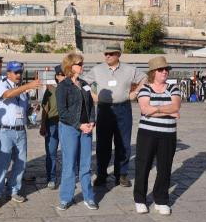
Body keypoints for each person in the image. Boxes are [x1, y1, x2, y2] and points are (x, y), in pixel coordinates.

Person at [82, 43, 146, 187]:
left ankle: (121, 175)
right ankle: (102, 174)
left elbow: (145, 78)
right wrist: (93, 95)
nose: (108, 56)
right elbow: (83, 83)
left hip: (123, 108)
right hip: (104, 109)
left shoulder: (130, 69)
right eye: (106, 54)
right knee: (102, 144)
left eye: (111, 53)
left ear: (119, 54)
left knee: (123, 143)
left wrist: (135, 93)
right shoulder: (97, 69)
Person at [134, 56, 181, 215]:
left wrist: (156, 109)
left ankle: (161, 200)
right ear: (153, 72)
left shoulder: (174, 88)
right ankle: (140, 199)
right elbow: (145, 109)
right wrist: (168, 112)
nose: (165, 72)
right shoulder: (145, 88)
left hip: (168, 134)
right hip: (147, 134)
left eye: (167, 69)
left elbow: (175, 105)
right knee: (143, 165)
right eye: (161, 70)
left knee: (165, 167)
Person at [0, 61, 41, 208]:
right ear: (8, 73)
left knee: (21, 163)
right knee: (3, 163)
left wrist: (33, 110)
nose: (19, 75)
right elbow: (7, 95)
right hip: (5, 130)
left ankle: (14, 190)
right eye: (16, 72)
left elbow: (24, 111)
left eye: (20, 72)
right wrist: (28, 86)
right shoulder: (2, 85)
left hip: (20, 130)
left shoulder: (21, 90)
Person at [56, 54, 98, 211]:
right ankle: (66, 198)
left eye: (82, 63)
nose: (82, 66)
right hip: (70, 128)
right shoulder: (63, 86)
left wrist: (92, 121)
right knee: (69, 163)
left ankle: (88, 197)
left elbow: (91, 106)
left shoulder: (85, 84)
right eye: (79, 64)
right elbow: (62, 112)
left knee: (86, 164)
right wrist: (79, 125)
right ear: (70, 66)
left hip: (87, 128)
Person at [39, 65, 65, 189]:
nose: (61, 77)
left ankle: (67, 178)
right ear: (56, 76)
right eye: (59, 75)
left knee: (67, 153)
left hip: (66, 124)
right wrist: (43, 125)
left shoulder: (71, 89)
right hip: (52, 124)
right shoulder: (50, 90)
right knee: (51, 153)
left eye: (64, 75)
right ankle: (52, 178)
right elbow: (45, 109)